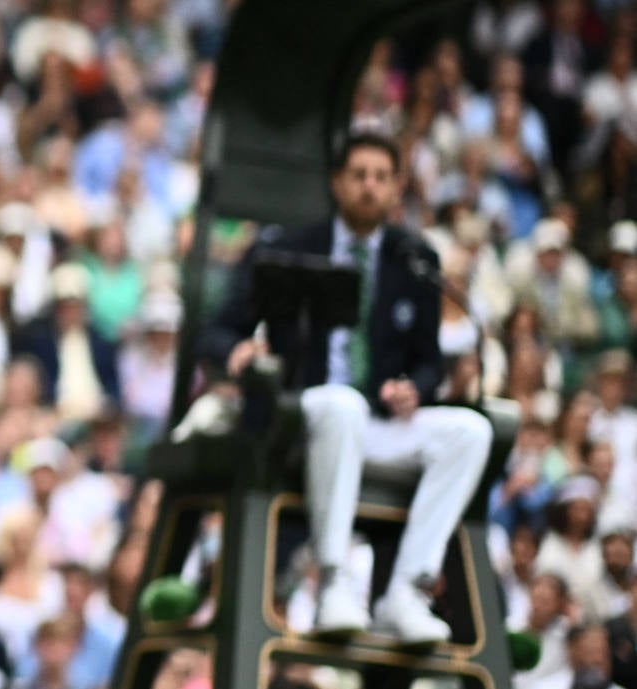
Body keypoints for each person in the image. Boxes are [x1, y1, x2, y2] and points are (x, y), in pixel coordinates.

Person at [198, 131, 494, 645]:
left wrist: (415, 390)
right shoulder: (288, 247)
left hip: (377, 423)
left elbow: (428, 362)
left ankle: (407, 590)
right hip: (302, 417)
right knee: (341, 405)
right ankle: (334, 580)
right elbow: (219, 328)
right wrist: (238, 352)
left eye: (381, 177)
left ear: (397, 186)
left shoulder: (415, 257)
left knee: (471, 431)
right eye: (358, 175)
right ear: (337, 183)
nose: (369, 187)